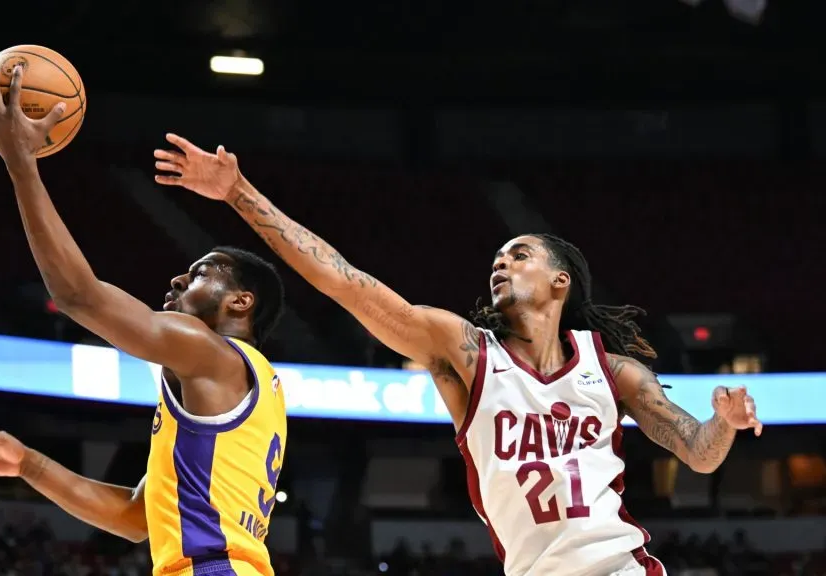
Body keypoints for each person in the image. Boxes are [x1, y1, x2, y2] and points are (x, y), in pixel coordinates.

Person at [153, 134, 763, 576]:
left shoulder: (612, 370)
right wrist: (237, 192)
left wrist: (724, 424)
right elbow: (345, 281)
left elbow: (698, 452)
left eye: (520, 254)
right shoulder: (466, 355)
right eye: (498, 255)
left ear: (561, 283)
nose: (501, 261)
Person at [0, 67, 288, 576]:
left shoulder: (212, 352)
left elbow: (79, 296)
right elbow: (135, 517)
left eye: (202, 273)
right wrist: (28, 463)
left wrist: (22, 164)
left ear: (240, 303)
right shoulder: (241, 388)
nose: (177, 280)